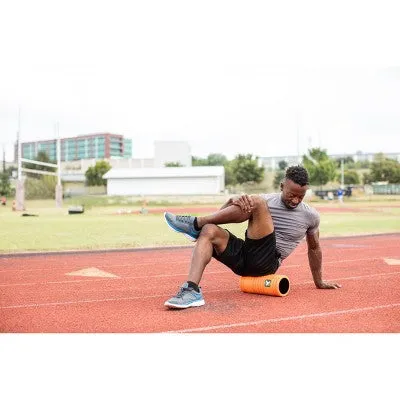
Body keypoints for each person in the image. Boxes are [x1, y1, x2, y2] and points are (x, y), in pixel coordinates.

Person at [163, 165, 341, 309]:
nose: (295, 200)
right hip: (245, 257)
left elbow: (314, 247)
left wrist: (319, 281)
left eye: (300, 196)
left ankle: (195, 224)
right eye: (291, 195)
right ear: (281, 186)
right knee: (209, 230)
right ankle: (191, 291)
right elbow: (221, 219)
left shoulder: (311, 216)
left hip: (267, 263)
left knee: (254, 202)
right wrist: (232, 201)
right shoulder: (267, 200)